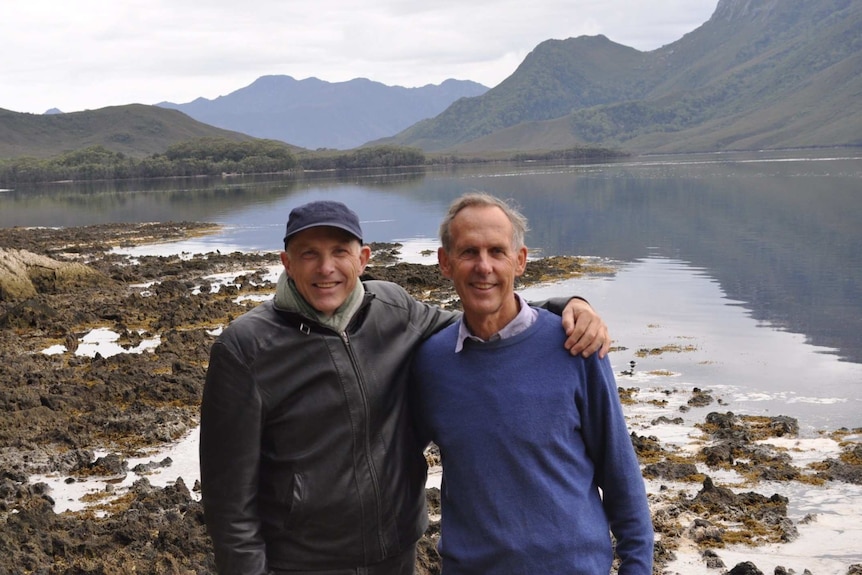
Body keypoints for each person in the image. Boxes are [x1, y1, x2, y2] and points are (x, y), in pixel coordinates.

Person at [200, 200, 610, 575]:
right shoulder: (245, 349)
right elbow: (227, 500)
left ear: (362, 259)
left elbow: (483, 319)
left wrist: (565, 307)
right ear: (287, 262)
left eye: (339, 252)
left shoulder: (393, 309)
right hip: (303, 562)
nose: (326, 268)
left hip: (396, 554)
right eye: (309, 253)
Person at [411, 193, 653, 574]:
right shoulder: (430, 361)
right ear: (445, 263)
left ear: (520, 260)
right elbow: (395, 466)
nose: (484, 266)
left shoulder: (576, 345)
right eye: (469, 252)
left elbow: (619, 472)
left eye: (497, 251)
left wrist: (637, 567)